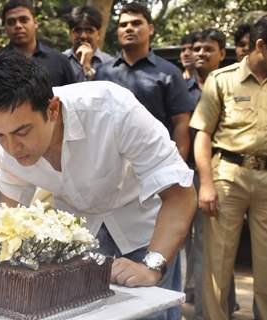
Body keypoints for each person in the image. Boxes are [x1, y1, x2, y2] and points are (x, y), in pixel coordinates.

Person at [0, 50, 196, 320]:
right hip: (78, 237)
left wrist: (152, 266)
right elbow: (11, 206)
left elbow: (180, 194)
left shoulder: (112, 108)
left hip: (144, 229)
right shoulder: (0, 137)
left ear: (53, 109)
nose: (12, 147)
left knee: (153, 315)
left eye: (23, 132)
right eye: (1, 135)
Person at [190, 16, 267, 320]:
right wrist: (206, 184)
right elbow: (203, 134)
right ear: (260, 45)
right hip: (227, 177)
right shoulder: (222, 79)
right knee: (217, 265)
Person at [0, 0, 75, 183]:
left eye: (23, 19)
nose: (18, 26)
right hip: (11, 162)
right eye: (11, 22)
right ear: (5, 27)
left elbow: (71, 108)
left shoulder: (59, 61)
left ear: (35, 22)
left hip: (60, 160)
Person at [94, 2, 194, 163]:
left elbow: (181, 123)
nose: (129, 28)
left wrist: (176, 167)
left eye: (136, 23)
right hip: (110, 164)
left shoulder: (169, 73)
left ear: (151, 29)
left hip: (154, 163)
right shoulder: (103, 72)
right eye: (123, 25)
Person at [184, 28, 229, 320]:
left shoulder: (228, 86)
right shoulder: (179, 86)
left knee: (215, 246)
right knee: (184, 243)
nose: (201, 53)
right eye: (197, 48)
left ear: (222, 54)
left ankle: (213, 310)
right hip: (181, 173)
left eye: (209, 49)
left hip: (215, 176)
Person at [63, 5, 112, 82]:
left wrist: (87, 67)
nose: (83, 36)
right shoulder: (60, 61)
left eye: (89, 30)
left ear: (98, 34)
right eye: (78, 30)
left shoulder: (110, 63)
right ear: (70, 34)